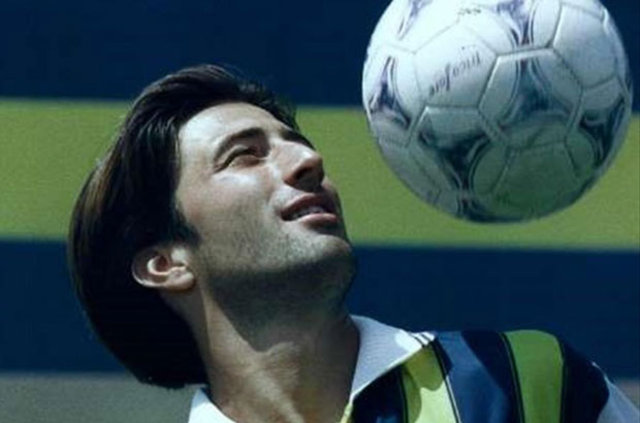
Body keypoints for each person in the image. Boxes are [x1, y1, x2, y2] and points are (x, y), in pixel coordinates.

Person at [68, 64, 638, 423]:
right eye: (245, 155)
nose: (309, 159)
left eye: (295, 142)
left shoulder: (532, 383)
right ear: (166, 263)